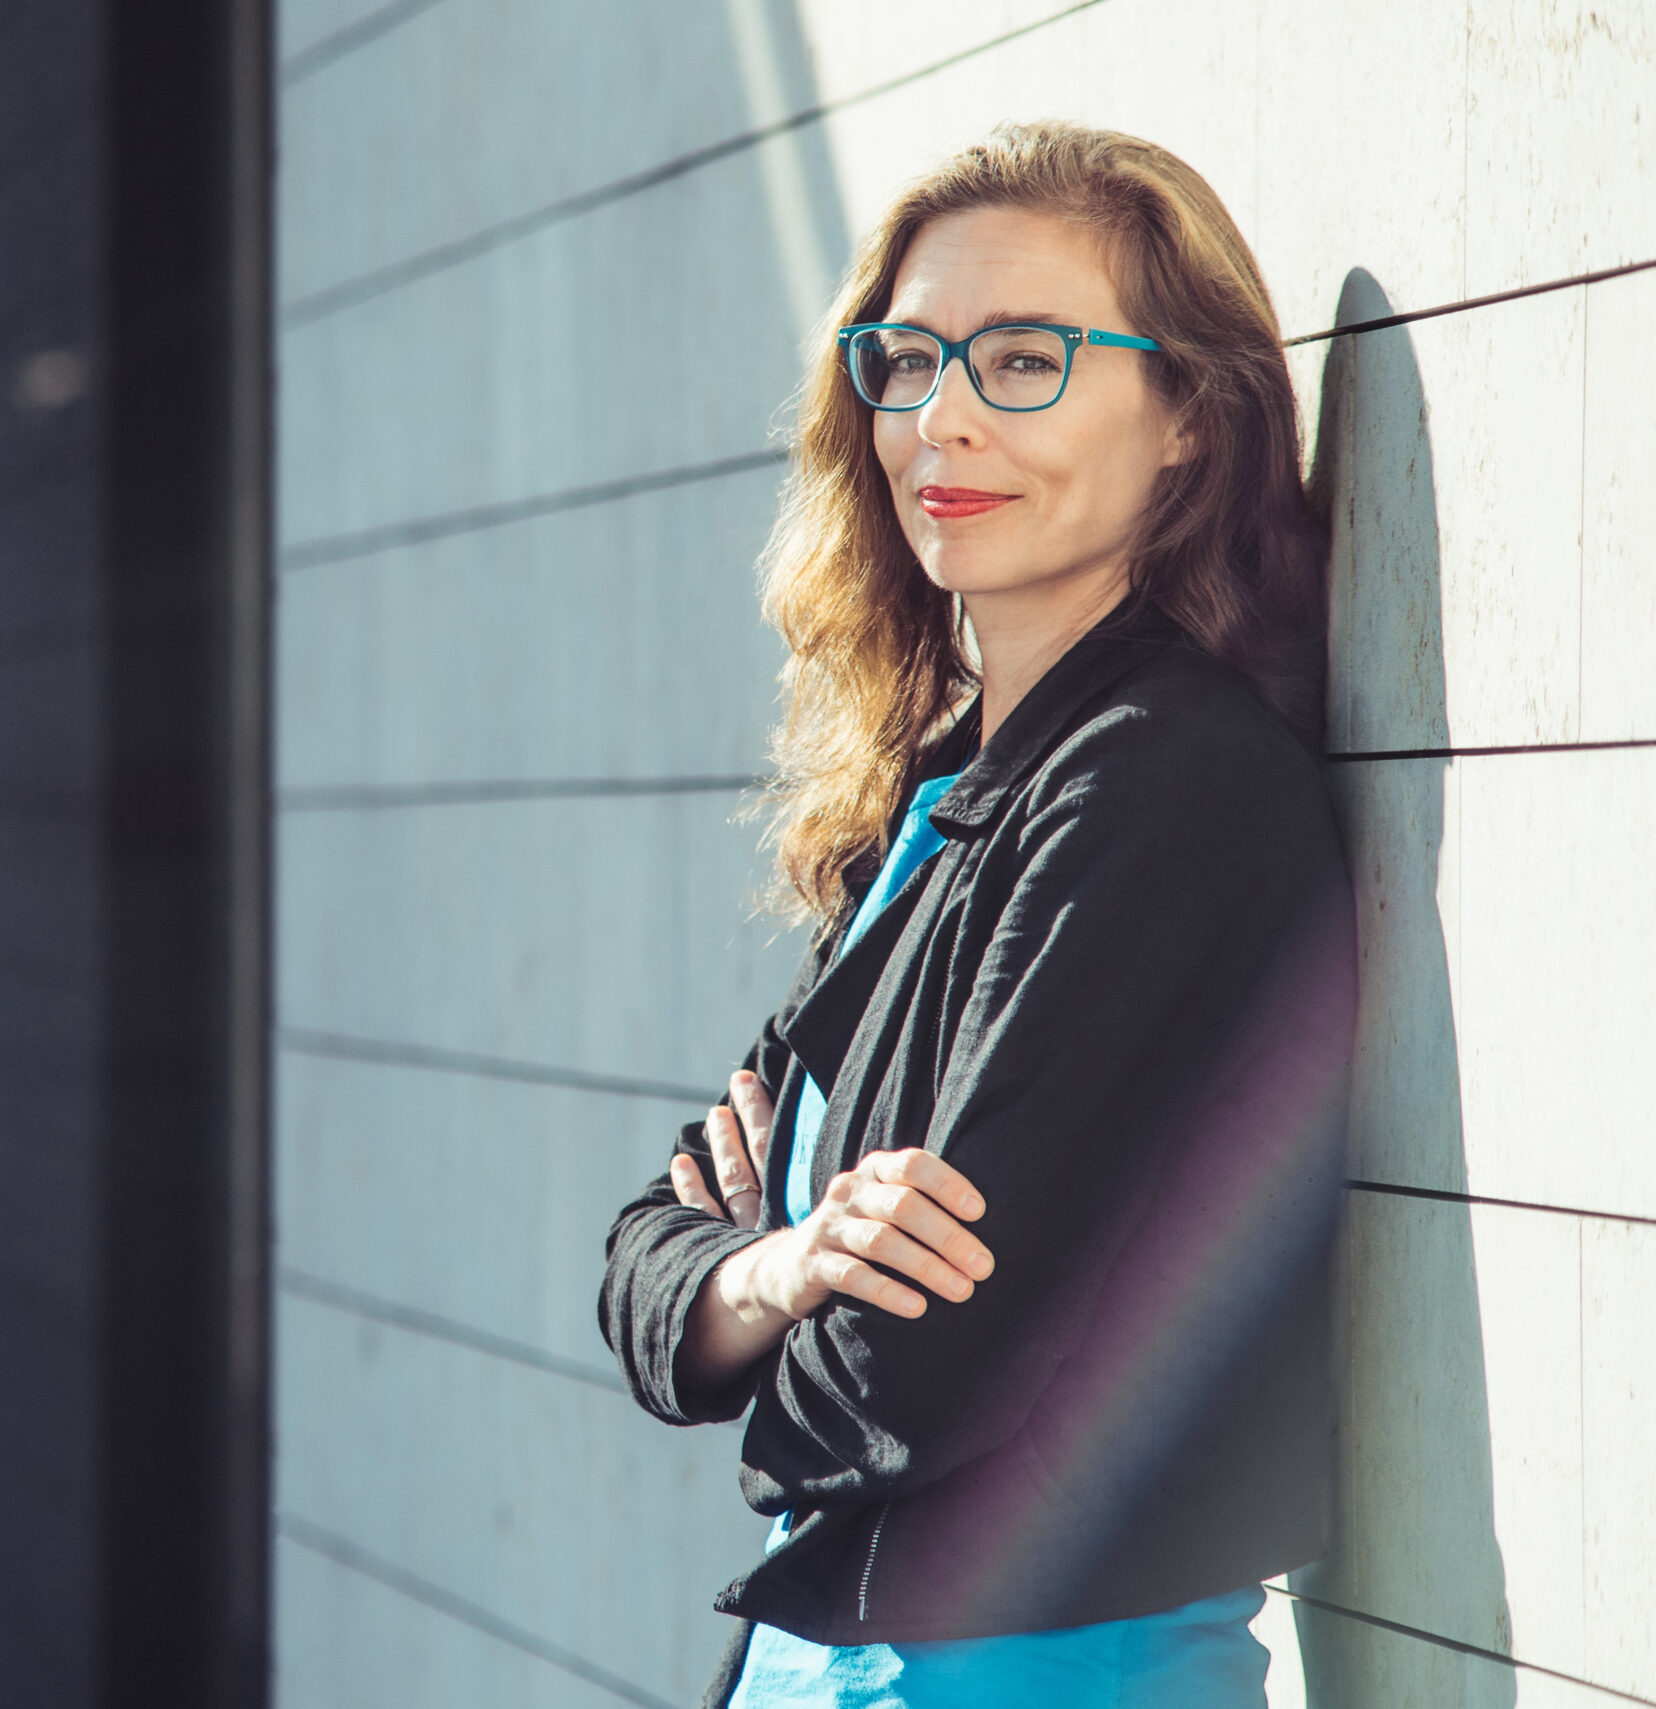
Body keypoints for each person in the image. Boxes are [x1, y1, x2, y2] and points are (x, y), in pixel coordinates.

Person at [598, 123, 1357, 1709]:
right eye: (909, 358)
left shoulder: (1165, 788)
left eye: (1025, 359)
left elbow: (924, 1367)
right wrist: (785, 1261)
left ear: (1186, 422)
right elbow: (647, 1266)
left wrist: (758, 1287)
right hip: (845, 1654)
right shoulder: (947, 798)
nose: (940, 415)